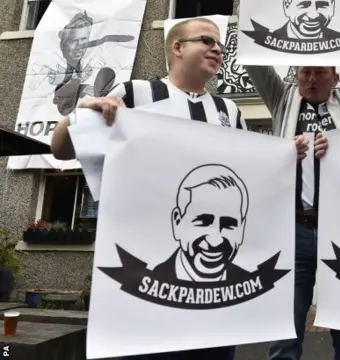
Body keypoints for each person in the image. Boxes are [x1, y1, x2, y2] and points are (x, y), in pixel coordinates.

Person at [50, 17, 308, 360]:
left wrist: (284, 154)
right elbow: (61, 150)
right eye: (206, 40)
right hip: (147, 273)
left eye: (220, 44)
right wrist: (80, 113)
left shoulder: (229, 112)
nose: (218, 49)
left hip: (212, 288)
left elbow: (246, 181)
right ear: (177, 47)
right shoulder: (133, 94)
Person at [244, 0, 340, 358]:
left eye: (320, 72)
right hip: (295, 230)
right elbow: (252, 58)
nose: (311, 79)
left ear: (336, 76)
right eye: (305, 72)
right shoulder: (282, 101)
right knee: (285, 332)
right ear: (295, 77)